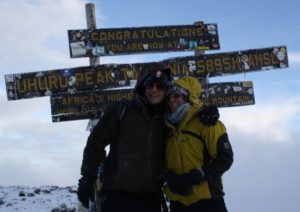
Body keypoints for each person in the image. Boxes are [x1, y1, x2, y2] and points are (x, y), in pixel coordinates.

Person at [77, 63, 220, 212]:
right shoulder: (121, 110)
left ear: (166, 90)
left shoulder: (169, 118)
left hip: (151, 199)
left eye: (160, 86)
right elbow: (95, 143)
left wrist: (206, 110)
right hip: (117, 197)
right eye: (150, 85)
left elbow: (189, 112)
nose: (154, 90)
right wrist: (87, 177)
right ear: (142, 87)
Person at [164, 76, 233, 212]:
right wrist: (169, 177)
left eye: (177, 95)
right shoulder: (166, 127)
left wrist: (200, 175)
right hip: (178, 203)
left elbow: (225, 158)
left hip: (208, 201)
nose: (172, 100)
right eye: (169, 97)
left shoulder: (207, 122)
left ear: (189, 97)